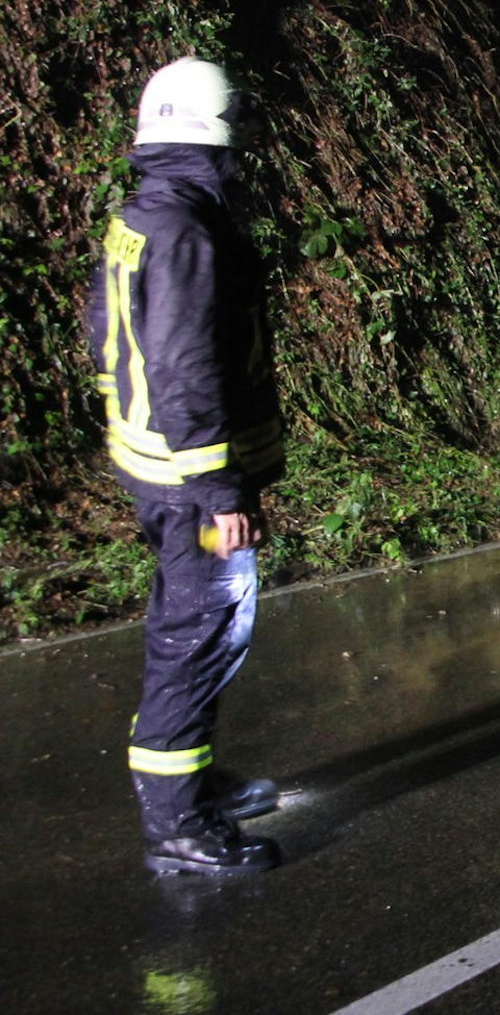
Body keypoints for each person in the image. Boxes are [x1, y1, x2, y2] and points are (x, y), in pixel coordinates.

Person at [87, 56, 287, 876]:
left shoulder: (145, 214)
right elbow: (183, 365)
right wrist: (218, 490)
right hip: (188, 479)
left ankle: (191, 781)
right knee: (201, 630)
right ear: (218, 134)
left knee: (194, 625)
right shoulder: (186, 232)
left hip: (156, 463)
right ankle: (177, 820)